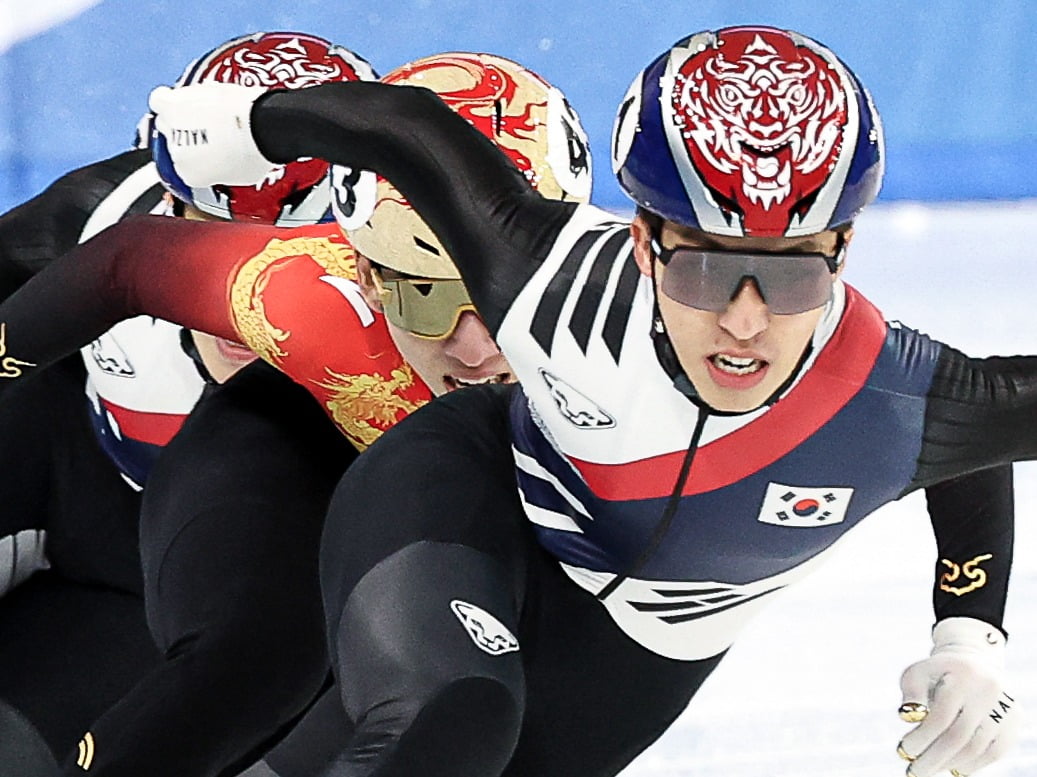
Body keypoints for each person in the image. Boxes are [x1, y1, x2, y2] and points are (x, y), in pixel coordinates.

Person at [126, 24, 1035, 777]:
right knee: (449, 721)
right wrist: (253, 120)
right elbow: (401, 126)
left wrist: (969, 632)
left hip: (631, 658)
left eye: (788, 276)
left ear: (840, 252)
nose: (744, 321)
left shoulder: (884, 389)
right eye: (709, 267)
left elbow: (954, 436)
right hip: (462, 497)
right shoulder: (552, 271)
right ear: (642, 241)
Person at [0, 52, 591, 777]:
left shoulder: (614, 338)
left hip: (234, 559)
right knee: (260, 660)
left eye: (495, 304)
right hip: (115, 478)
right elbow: (127, 260)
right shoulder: (273, 278)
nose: (470, 346)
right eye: (424, 295)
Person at [0, 30, 376, 766]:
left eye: (286, 256)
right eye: (209, 237)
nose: (237, 296)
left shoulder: (433, 299)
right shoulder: (107, 212)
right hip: (74, 472)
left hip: (182, 585)